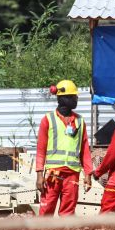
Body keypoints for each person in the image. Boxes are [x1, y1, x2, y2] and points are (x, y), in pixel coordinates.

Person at [35, 80, 92, 216]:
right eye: (74, 96)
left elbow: (85, 149)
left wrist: (88, 174)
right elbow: (41, 150)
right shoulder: (48, 120)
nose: (76, 99)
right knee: (46, 210)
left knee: (68, 213)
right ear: (63, 98)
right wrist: (39, 175)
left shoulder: (80, 121)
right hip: (53, 175)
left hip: (72, 174)